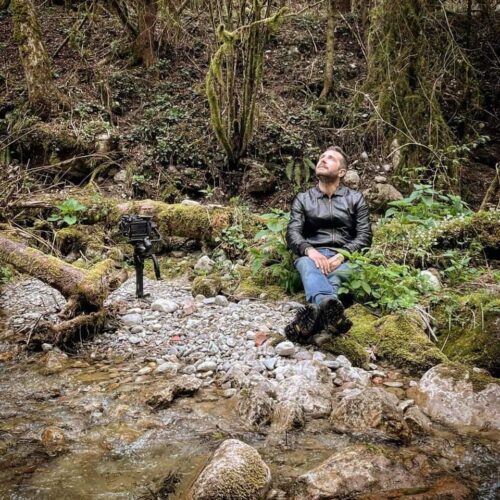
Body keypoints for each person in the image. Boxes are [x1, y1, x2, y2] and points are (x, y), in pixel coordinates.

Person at [285, 146, 372, 343]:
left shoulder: (355, 199)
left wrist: (342, 255)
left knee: (341, 273)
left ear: (341, 172)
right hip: (311, 257)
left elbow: (365, 236)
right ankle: (333, 315)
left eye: (330, 158)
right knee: (307, 265)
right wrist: (310, 251)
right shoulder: (303, 199)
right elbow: (292, 232)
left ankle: (304, 327)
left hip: (346, 258)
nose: (323, 160)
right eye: (321, 157)